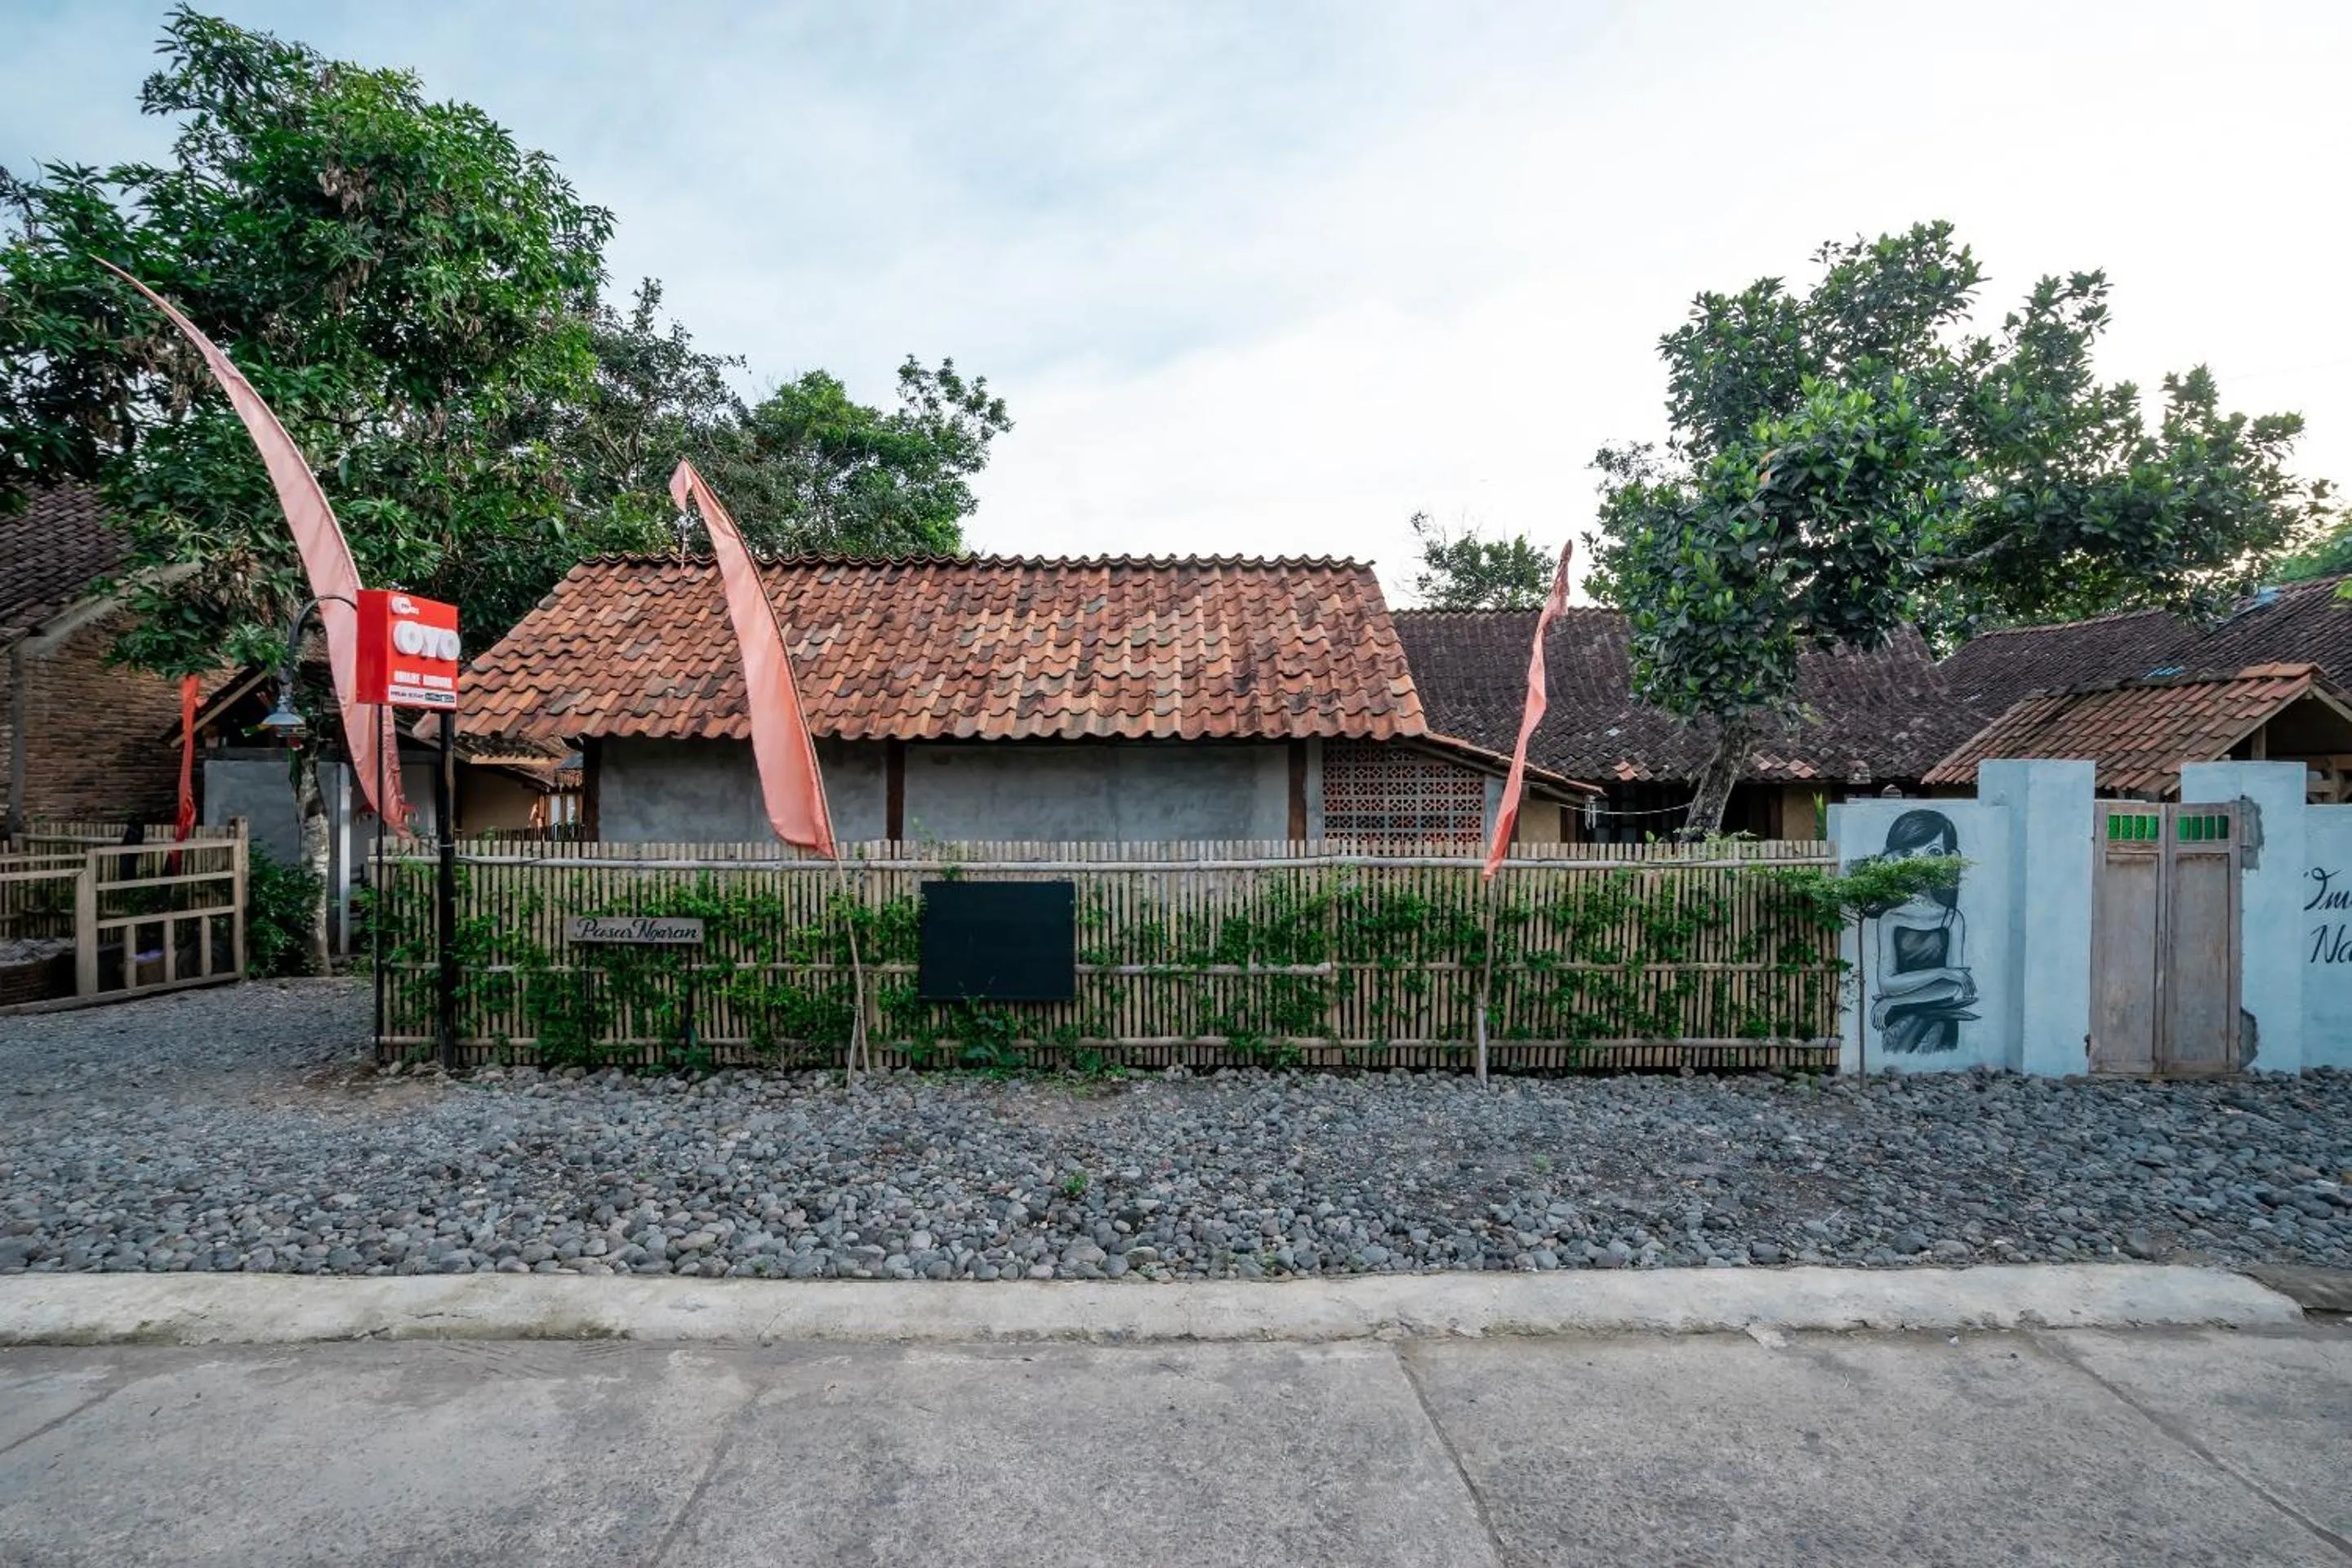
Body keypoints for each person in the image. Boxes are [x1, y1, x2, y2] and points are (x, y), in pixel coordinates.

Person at [1868, 808, 1976, 1054]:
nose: (1919, 863)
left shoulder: (1951, 919)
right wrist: (1943, 972)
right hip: (1898, 1022)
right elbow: (1887, 983)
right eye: (1907, 853)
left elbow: (1951, 988)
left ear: (1950, 859)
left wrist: (1896, 1000)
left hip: (1941, 1018)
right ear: (1892, 858)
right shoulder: (1891, 919)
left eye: (1934, 853)